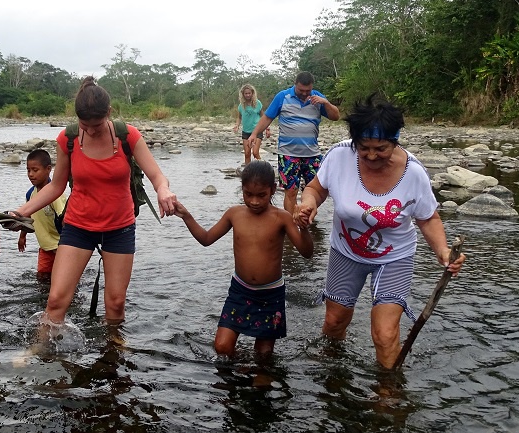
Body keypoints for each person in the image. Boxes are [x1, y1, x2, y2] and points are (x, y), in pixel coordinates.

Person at [293, 95, 466, 369]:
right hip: (346, 251)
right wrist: (308, 205)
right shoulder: (339, 156)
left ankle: (388, 396)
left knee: (385, 335)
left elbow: (428, 217)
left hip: (394, 257)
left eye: (381, 148)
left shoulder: (414, 173)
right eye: (364, 148)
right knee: (334, 322)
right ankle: (331, 373)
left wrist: (443, 251)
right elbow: (316, 188)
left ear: (395, 140)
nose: (372, 155)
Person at [11, 76, 177, 326]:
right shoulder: (67, 139)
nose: (89, 130)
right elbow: (56, 186)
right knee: (56, 299)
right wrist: (20, 212)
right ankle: (40, 351)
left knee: (115, 302)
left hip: (119, 228)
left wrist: (163, 190)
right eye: (84, 125)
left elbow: (156, 175)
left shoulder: (127, 136)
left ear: (109, 113)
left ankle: (112, 354)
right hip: (78, 227)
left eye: (97, 125)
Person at [173, 160, 314, 358]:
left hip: (270, 294)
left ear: (273, 190)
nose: (254, 201)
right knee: (222, 346)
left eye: (261, 195)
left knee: (264, 354)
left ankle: (255, 379)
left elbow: (306, 252)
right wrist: (186, 216)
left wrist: (304, 228)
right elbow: (206, 239)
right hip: (240, 292)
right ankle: (240, 369)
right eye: (249, 194)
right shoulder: (234, 214)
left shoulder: (282, 217)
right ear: (242, 189)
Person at [248, 71, 340, 214]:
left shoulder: (318, 98)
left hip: (312, 154)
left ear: (312, 87)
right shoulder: (283, 97)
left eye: (307, 91)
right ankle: (291, 224)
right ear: (295, 85)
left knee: (316, 191)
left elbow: (336, 116)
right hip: (288, 154)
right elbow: (267, 117)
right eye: (301, 90)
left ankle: (305, 219)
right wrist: (254, 134)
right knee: (291, 192)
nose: (304, 93)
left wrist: (326, 103)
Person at [18, 149, 68, 282]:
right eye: (28, 170)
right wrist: (22, 236)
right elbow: (27, 216)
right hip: (45, 247)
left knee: (63, 280)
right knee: (42, 278)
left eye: (35, 170)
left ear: (48, 169)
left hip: (60, 247)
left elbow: (65, 219)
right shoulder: (31, 194)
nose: (31, 174)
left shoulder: (55, 195)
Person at [232, 84, 270, 165]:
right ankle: (248, 172)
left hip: (257, 131)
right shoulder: (241, 106)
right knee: (247, 154)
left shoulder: (258, 103)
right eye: (246, 93)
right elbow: (239, 117)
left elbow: (263, 117)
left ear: (252, 93)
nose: (248, 95)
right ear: (243, 94)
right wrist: (237, 125)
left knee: (255, 153)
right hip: (246, 131)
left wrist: (267, 129)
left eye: (249, 93)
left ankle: (263, 168)